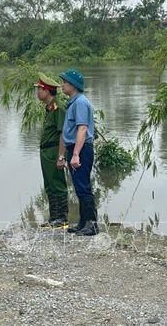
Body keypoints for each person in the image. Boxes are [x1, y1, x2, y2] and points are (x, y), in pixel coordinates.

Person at [58, 68, 98, 236]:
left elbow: (82, 129)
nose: (62, 85)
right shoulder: (74, 102)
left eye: (65, 82)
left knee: (83, 186)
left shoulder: (80, 102)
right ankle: (83, 222)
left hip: (81, 149)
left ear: (73, 85)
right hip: (75, 148)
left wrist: (75, 154)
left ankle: (92, 224)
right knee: (79, 186)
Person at [34, 72, 69, 228]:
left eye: (39, 89)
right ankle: (54, 217)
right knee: (49, 184)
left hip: (55, 151)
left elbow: (63, 134)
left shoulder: (58, 108)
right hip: (46, 152)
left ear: (47, 91)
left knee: (57, 183)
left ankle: (62, 218)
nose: (37, 92)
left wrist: (61, 156)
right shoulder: (50, 108)